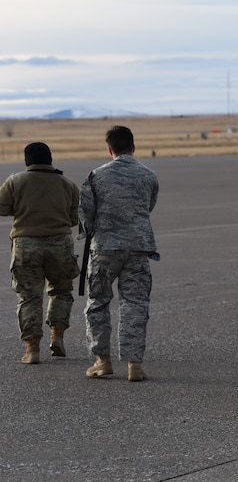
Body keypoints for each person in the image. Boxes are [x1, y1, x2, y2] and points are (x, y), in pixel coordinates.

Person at [80, 126, 159, 382]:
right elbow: (148, 207)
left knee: (98, 302)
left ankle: (102, 361)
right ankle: (134, 365)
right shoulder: (149, 176)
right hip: (137, 248)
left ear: (109, 149)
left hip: (104, 248)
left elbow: (86, 213)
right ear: (133, 147)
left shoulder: (96, 176)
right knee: (135, 304)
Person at [0, 142, 80, 364]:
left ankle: (32, 349)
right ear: (50, 159)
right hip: (60, 244)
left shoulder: (15, 181)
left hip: (26, 246)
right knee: (62, 291)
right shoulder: (68, 184)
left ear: (27, 161)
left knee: (29, 297)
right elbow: (74, 218)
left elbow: (2, 208)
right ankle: (57, 337)